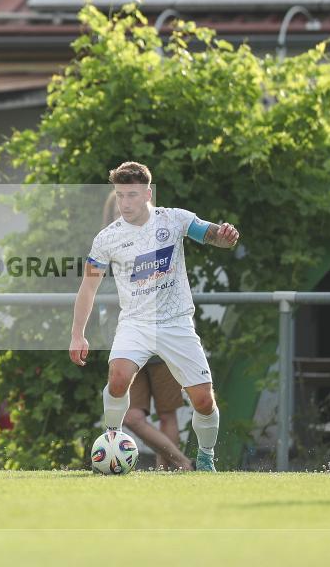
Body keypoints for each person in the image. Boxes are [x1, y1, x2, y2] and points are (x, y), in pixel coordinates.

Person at [71, 162, 239, 471]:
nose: (125, 203)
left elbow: (213, 234)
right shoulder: (107, 238)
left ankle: (205, 457)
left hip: (176, 323)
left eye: (132, 195)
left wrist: (225, 236)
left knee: (204, 401)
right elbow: (88, 287)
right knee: (118, 378)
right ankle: (112, 438)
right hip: (135, 323)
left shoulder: (174, 219)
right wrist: (77, 334)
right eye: (120, 195)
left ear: (148, 194)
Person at [100, 190, 192, 471]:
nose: (125, 212)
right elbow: (97, 291)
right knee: (132, 417)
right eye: (118, 210)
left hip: (163, 342)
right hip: (127, 346)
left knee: (167, 415)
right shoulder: (104, 248)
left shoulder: (157, 243)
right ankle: (183, 463)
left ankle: (167, 473)